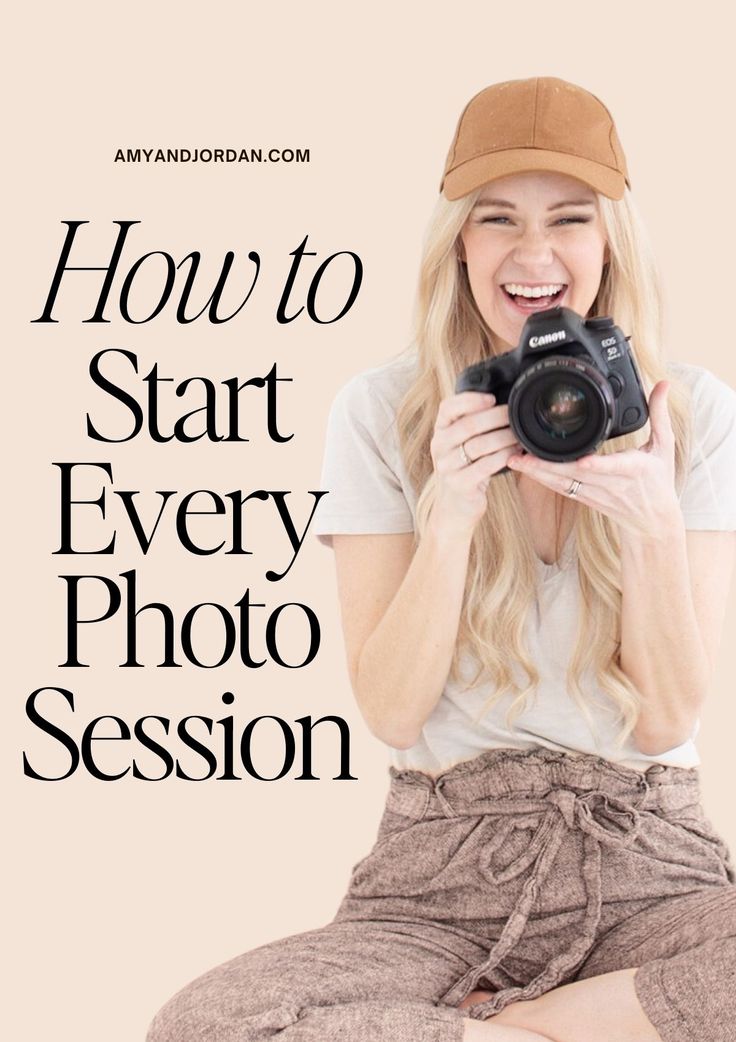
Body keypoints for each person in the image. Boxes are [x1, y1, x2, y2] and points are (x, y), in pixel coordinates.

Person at [146, 77, 736, 1042]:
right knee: (207, 1023)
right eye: (498, 218)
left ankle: (514, 1027)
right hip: (441, 876)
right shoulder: (383, 411)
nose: (534, 254)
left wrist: (656, 526)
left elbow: (668, 715)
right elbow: (392, 710)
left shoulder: (690, 412)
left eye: (570, 220)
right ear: (458, 242)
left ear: (609, 242)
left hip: (653, 861)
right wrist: (451, 512)